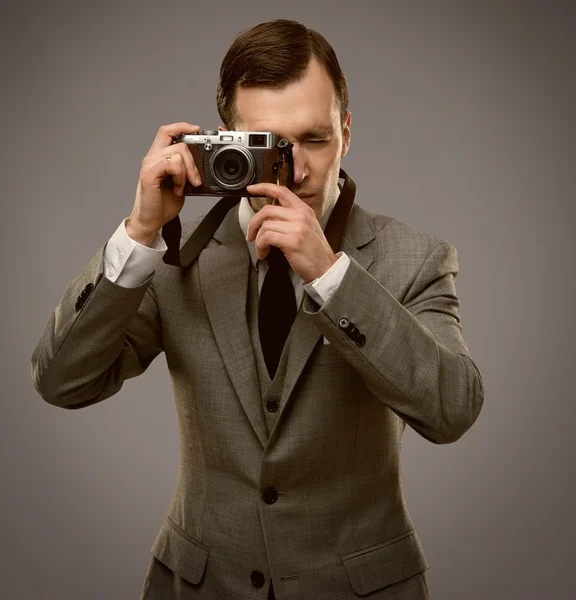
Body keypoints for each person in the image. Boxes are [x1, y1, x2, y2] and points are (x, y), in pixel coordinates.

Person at [31, 18, 485, 600]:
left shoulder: (416, 258)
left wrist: (330, 274)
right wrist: (142, 230)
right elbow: (62, 381)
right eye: (271, 144)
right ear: (229, 140)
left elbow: (453, 410)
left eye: (315, 140)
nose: (296, 170)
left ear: (347, 130)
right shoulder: (173, 258)